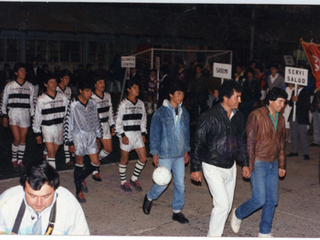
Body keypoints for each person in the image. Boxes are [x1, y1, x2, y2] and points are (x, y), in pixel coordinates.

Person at [190, 80, 250, 237]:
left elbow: (242, 141)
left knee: (227, 205)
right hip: (212, 165)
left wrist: (245, 163)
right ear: (225, 97)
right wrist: (195, 168)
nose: (240, 100)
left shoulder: (239, 117)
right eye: (236, 97)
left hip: (230, 167)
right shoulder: (208, 116)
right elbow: (197, 143)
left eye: (240, 97)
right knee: (222, 205)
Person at [230, 87, 287, 237]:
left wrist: (281, 165)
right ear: (271, 101)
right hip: (259, 162)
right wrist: (247, 164)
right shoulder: (256, 115)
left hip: (273, 163)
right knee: (259, 199)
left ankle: (264, 232)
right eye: (280, 101)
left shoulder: (281, 119)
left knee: (272, 200)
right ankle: (238, 213)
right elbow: (250, 142)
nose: (282, 105)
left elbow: (281, 143)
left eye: (284, 102)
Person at [0, 159, 89, 235]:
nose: (39, 203)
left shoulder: (69, 204)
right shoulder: (5, 202)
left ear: (55, 190)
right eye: (32, 195)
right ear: (23, 189)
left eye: (46, 196)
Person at [142, 81, 190, 224]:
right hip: (165, 154)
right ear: (170, 94)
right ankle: (149, 197)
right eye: (178, 94)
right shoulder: (160, 113)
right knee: (162, 183)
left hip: (180, 154)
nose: (181, 97)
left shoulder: (184, 112)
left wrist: (186, 151)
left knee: (180, 184)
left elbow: (186, 133)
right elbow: (155, 135)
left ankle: (177, 211)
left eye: (182, 94)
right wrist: (155, 153)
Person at [63, 80, 103, 203]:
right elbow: (68, 124)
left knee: (95, 163)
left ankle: (79, 179)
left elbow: (96, 120)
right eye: (87, 91)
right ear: (80, 91)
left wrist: (98, 136)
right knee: (79, 163)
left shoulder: (93, 103)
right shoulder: (73, 105)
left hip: (91, 136)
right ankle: (78, 190)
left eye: (90, 91)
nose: (89, 93)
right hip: (78, 137)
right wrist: (69, 142)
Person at [1, 62, 35, 172]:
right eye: (21, 70)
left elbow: (32, 103)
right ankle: (14, 160)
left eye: (24, 70)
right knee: (16, 138)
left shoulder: (30, 86)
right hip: (13, 113)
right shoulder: (9, 86)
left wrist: (33, 116)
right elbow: (4, 101)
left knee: (23, 138)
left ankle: (20, 160)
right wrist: (4, 115)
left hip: (25, 114)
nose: (23, 72)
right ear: (16, 72)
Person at [115, 79, 147, 192]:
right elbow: (118, 122)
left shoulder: (141, 104)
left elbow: (143, 120)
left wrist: (143, 133)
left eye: (138, 88)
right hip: (127, 135)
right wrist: (122, 135)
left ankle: (134, 178)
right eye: (134, 88)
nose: (137, 90)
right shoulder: (123, 104)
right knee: (124, 159)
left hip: (137, 134)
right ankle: (123, 182)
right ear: (128, 89)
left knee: (143, 158)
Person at [32, 73, 69, 169]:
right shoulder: (41, 99)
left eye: (55, 82)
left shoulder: (63, 97)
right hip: (47, 128)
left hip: (59, 128)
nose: (54, 84)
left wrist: (66, 124)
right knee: (52, 153)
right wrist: (37, 133)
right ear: (45, 84)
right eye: (51, 82)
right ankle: (52, 176)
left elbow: (67, 113)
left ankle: (45, 168)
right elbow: (37, 117)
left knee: (53, 153)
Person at [91, 74, 116, 181]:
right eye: (100, 83)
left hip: (105, 125)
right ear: (95, 85)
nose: (102, 85)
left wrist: (112, 125)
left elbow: (110, 112)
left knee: (108, 149)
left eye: (103, 82)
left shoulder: (107, 96)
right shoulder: (91, 97)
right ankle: (95, 170)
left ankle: (96, 161)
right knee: (96, 147)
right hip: (95, 126)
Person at [286, 84, 311, 160]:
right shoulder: (294, 91)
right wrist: (292, 99)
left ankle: (306, 153)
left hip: (302, 117)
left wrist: (297, 101)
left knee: (303, 136)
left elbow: (306, 106)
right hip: (293, 117)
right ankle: (294, 151)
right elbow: (290, 104)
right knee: (293, 135)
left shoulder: (306, 93)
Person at [56, 69, 73, 167]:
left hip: (66, 116)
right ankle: (46, 152)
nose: (67, 80)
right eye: (66, 78)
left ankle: (67, 159)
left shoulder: (69, 90)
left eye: (69, 79)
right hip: (57, 116)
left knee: (66, 135)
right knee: (56, 136)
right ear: (61, 79)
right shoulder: (56, 88)